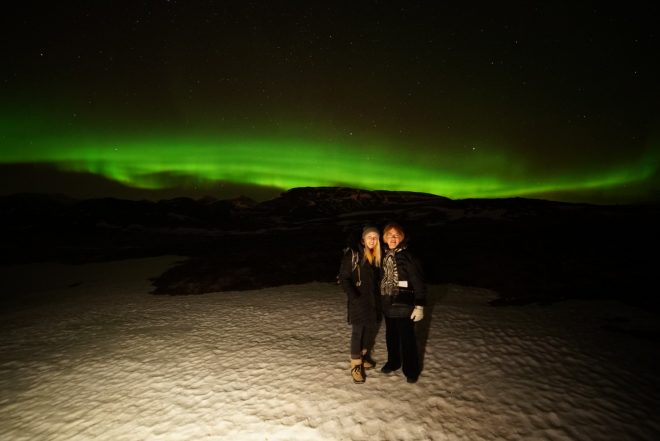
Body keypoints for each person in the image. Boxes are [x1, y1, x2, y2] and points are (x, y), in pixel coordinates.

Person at [379, 222, 426, 383]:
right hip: (387, 303)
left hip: (405, 304)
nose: (393, 238)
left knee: (407, 338)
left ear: (402, 238)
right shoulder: (383, 256)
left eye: (396, 235)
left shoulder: (408, 256)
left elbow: (418, 282)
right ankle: (393, 362)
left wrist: (419, 305)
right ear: (384, 238)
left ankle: (411, 370)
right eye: (389, 235)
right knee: (391, 336)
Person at [338, 226, 382, 384]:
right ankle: (355, 365)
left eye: (375, 237)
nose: (372, 240)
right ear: (363, 239)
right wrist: (354, 296)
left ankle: (362, 357)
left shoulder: (375, 256)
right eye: (369, 236)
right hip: (358, 301)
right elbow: (343, 278)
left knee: (368, 330)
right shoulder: (353, 254)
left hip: (371, 301)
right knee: (358, 332)